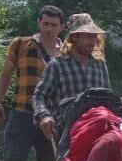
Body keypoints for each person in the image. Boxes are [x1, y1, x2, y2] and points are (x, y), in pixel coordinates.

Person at [0, 5, 65, 161]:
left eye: (53, 25)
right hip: (22, 111)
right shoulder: (21, 44)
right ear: (38, 22)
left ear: (61, 27)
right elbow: (5, 75)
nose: (49, 28)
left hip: (52, 116)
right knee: (13, 160)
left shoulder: (67, 51)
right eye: (45, 23)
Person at [32, 13, 111, 142]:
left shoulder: (100, 65)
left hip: (97, 132)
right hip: (66, 134)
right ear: (74, 37)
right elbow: (39, 96)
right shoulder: (57, 65)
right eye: (87, 36)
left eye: (94, 36)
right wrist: (44, 115)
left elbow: (108, 97)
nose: (92, 41)